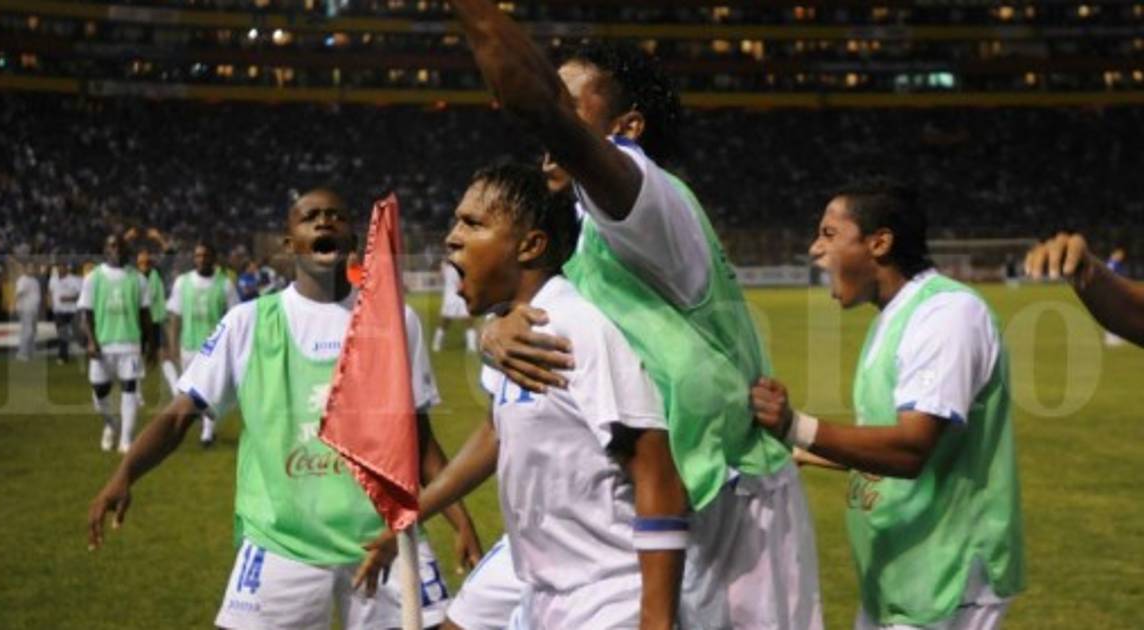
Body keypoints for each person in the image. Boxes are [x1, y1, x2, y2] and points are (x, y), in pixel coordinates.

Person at [440, 3, 821, 627]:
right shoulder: (578, 230)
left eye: (571, 101)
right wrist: (493, 329)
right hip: (635, 502)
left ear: (627, 127)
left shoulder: (645, 199)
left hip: (731, 499)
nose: (555, 117)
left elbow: (538, 106)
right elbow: (549, 311)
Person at [87, 188, 481, 630]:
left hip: (384, 535)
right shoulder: (248, 323)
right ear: (289, 243)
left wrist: (461, 519)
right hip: (283, 541)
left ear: (353, 239)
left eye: (336, 215)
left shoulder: (395, 321)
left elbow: (417, 436)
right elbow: (181, 415)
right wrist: (126, 473)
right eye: (310, 216)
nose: (324, 222)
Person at [358, 163, 689, 629]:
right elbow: (497, 431)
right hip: (542, 589)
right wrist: (414, 513)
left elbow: (657, 469)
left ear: (530, 245)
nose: (452, 238)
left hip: (608, 596)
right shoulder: (515, 334)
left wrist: (655, 621)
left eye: (473, 223)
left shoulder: (577, 327)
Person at [750, 178, 1025, 629]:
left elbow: (911, 448)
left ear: (879, 243)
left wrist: (795, 426)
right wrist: (801, 450)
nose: (815, 248)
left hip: (947, 573)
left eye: (829, 233)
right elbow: (889, 443)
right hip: (902, 572)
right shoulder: (896, 317)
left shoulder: (947, 315)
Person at [78, 234, 155, 453]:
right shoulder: (93, 278)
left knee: (129, 389)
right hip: (102, 345)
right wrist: (91, 342)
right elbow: (86, 314)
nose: (117, 249)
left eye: (121, 246)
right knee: (99, 392)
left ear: (128, 249)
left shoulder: (138, 279)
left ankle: (126, 440)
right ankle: (111, 424)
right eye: (112, 246)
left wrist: (151, 345)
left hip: (130, 344)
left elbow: (145, 316)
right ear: (105, 250)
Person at [164, 240, 238, 446]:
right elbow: (175, 316)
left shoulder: (225, 284)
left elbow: (234, 316)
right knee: (189, 392)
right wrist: (173, 344)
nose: (202, 259)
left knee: (210, 391)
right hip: (188, 345)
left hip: (213, 347)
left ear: (214, 259)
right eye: (198, 256)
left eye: (206, 255)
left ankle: (207, 434)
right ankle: (196, 424)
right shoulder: (182, 282)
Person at [1025, 233, 1144, 347]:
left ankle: (1113, 339)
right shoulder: (1113, 263)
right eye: (1119, 253)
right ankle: (1112, 339)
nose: (1121, 255)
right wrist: (1092, 274)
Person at [432, 258, 477, 353]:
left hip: (459, 298)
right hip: (452, 297)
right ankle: (436, 344)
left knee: (467, 322)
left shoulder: (460, 267)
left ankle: (471, 347)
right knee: (445, 322)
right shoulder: (449, 267)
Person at [48, 262, 82, 364]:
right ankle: (63, 356)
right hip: (58, 311)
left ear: (67, 268)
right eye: (59, 267)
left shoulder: (75, 280)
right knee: (62, 334)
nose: (60, 269)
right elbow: (50, 292)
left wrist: (69, 298)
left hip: (72, 311)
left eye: (63, 267)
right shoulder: (53, 279)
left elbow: (81, 295)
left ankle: (87, 349)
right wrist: (50, 303)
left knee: (77, 333)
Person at [13, 261, 41, 361]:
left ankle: (30, 352)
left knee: (33, 332)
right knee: (27, 331)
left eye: (33, 268)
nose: (32, 270)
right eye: (30, 268)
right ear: (26, 269)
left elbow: (36, 295)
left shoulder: (35, 281)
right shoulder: (22, 280)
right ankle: (22, 353)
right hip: (25, 309)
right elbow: (18, 294)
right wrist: (15, 306)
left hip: (34, 309)